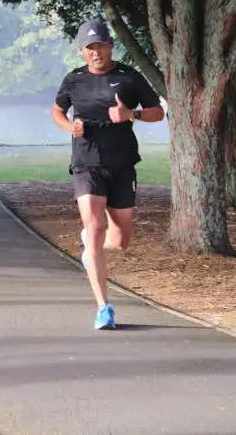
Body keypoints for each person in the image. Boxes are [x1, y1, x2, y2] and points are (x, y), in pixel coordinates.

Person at [51, 18, 165, 329]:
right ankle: (104, 308)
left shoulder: (129, 77)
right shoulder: (73, 80)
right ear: (81, 51)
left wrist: (132, 114)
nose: (96, 52)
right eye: (90, 48)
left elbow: (159, 112)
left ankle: (89, 242)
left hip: (122, 162)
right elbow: (56, 110)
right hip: (86, 160)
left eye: (100, 45)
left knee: (120, 239)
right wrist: (68, 126)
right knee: (96, 226)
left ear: (110, 46)